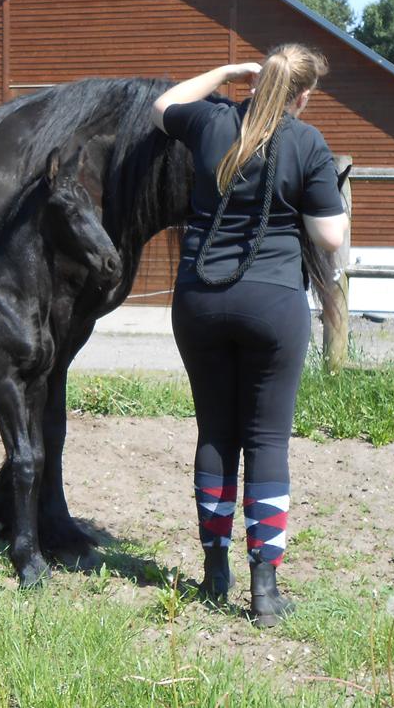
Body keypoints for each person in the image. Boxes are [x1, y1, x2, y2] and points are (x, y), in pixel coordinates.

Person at [151, 44, 348, 626]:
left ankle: (215, 572)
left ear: (257, 80)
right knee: (266, 441)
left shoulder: (211, 120)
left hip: (200, 299)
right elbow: (331, 238)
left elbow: (162, 105)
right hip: (273, 305)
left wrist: (224, 73)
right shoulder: (308, 143)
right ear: (304, 95)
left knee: (215, 430)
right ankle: (264, 591)